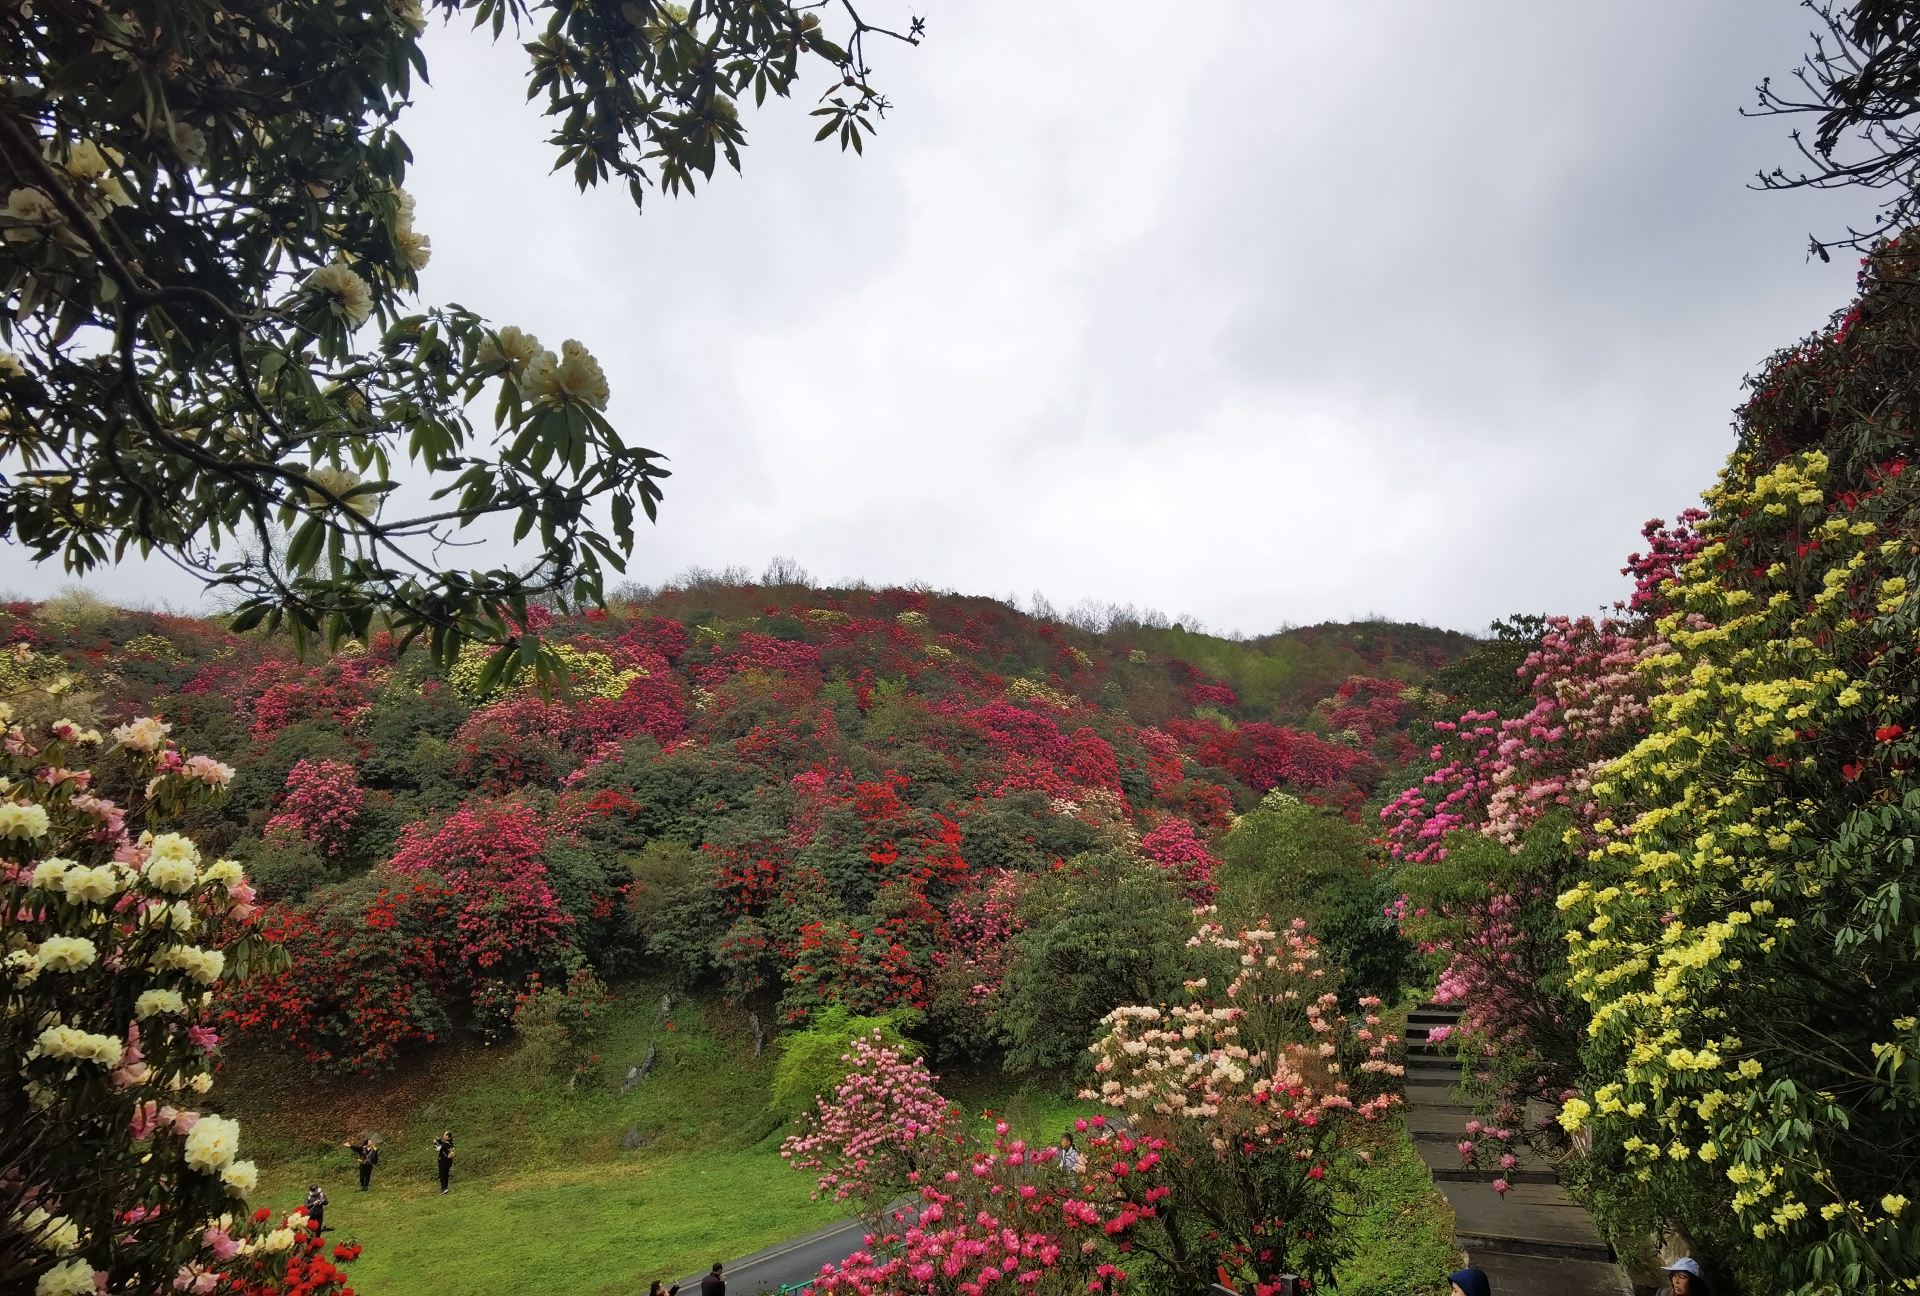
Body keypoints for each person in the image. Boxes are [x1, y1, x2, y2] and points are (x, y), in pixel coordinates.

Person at [434, 1130, 455, 1195]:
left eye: (444, 1135)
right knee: (446, 1174)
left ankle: (444, 1188)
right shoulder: (450, 1142)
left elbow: (438, 1148)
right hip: (448, 1161)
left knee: (442, 1174)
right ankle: (445, 1187)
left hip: (443, 1161)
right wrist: (439, 1140)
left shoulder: (446, 1143)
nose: (443, 1135)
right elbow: (443, 1144)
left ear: (447, 1136)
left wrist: (434, 1143)